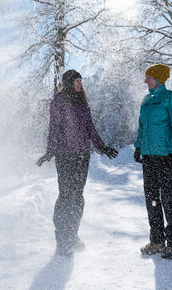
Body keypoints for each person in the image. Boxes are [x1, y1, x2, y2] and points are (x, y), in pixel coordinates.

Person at [37, 69, 118, 256]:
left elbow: (90, 128)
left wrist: (102, 146)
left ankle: (72, 235)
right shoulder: (58, 102)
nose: (81, 84)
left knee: (78, 197)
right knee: (66, 196)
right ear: (69, 82)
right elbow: (53, 129)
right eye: (78, 81)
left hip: (82, 155)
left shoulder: (83, 103)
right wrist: (50, 150)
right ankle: (62, 239)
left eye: (81, 80)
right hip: (65, 155)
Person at [134, 63, 172, 259]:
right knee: (152, 198)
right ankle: (156, 240)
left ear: (158, 79)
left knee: (169, 199)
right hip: (149, 156)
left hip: (165, 156)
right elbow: (141, 126)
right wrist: (138, 146)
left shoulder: (171, 98)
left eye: (148, 77)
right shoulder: (146, 100)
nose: (145, 80)